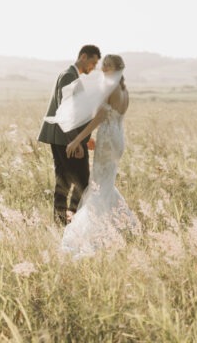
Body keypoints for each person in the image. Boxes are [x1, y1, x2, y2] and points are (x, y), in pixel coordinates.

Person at [58, 54, 141, 259]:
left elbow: (100, 118)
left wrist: (78, 140)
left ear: (118, 68)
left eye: (108, 66)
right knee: (106, 183)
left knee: (98, 186)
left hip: (107, 137)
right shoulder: (124, 90)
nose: (104, 69)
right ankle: (123, 224)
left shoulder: (110, 88)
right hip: (118, 139)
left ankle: (95, 232)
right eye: (103, 65)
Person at [38, 45, 101, 225]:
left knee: (64, 178)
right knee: (82, 181)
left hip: (65, 138)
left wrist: (85, 138)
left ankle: (61, 220)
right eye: (93, 62)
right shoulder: (68, 76)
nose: (93, 67)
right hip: (66, 139)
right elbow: (65, 112)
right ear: (83, 57)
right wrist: (76, 142)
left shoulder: (71, 76)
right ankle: (72, 219)